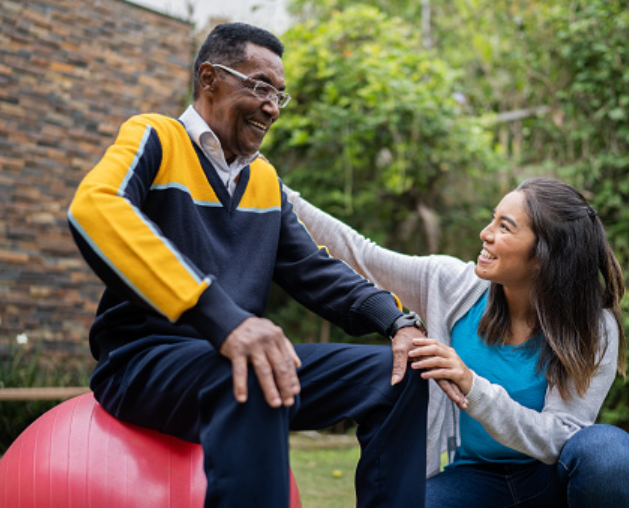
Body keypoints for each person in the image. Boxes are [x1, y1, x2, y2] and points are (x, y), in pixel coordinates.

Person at [67, 22, 433, 508]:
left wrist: (396, 321)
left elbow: (315, 271)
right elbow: (95, 208)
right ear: (209, 78)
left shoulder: (264, 180)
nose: (271, 107)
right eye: (260, 86)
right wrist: (224, 320)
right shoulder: (155, 136)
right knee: (255, 364)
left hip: (237, 363)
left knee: (403, 374)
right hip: (143, 362)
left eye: (280, 95)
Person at [284, 177, 629, 507]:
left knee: (607, 453)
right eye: (492, 219)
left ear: (543, 256)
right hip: (476, 479)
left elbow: (560, 438)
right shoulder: (451, 284)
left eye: (504, 228)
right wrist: (277, 192)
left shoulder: (594, 326)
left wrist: (474, 387)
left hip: (551, 480)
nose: (485, 233)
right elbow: (361, 255)